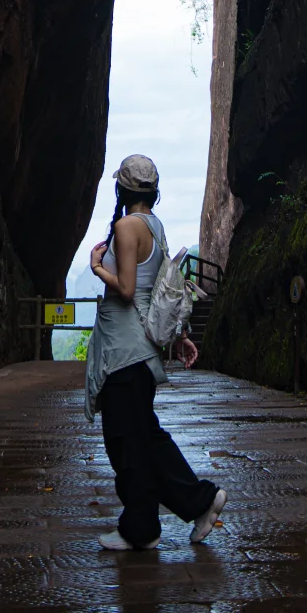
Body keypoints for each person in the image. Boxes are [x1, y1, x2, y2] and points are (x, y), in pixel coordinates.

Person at [84, 153, 227, 551]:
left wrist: (97, 267)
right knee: (141, 437)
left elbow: (128, 290)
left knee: (128, 441)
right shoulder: (154, 225)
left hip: (126, 352)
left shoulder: (127, 226)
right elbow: (159, 287)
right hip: (138, 350)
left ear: (121, 189)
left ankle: (159, 518)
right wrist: (177, 335)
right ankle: (155, 519)